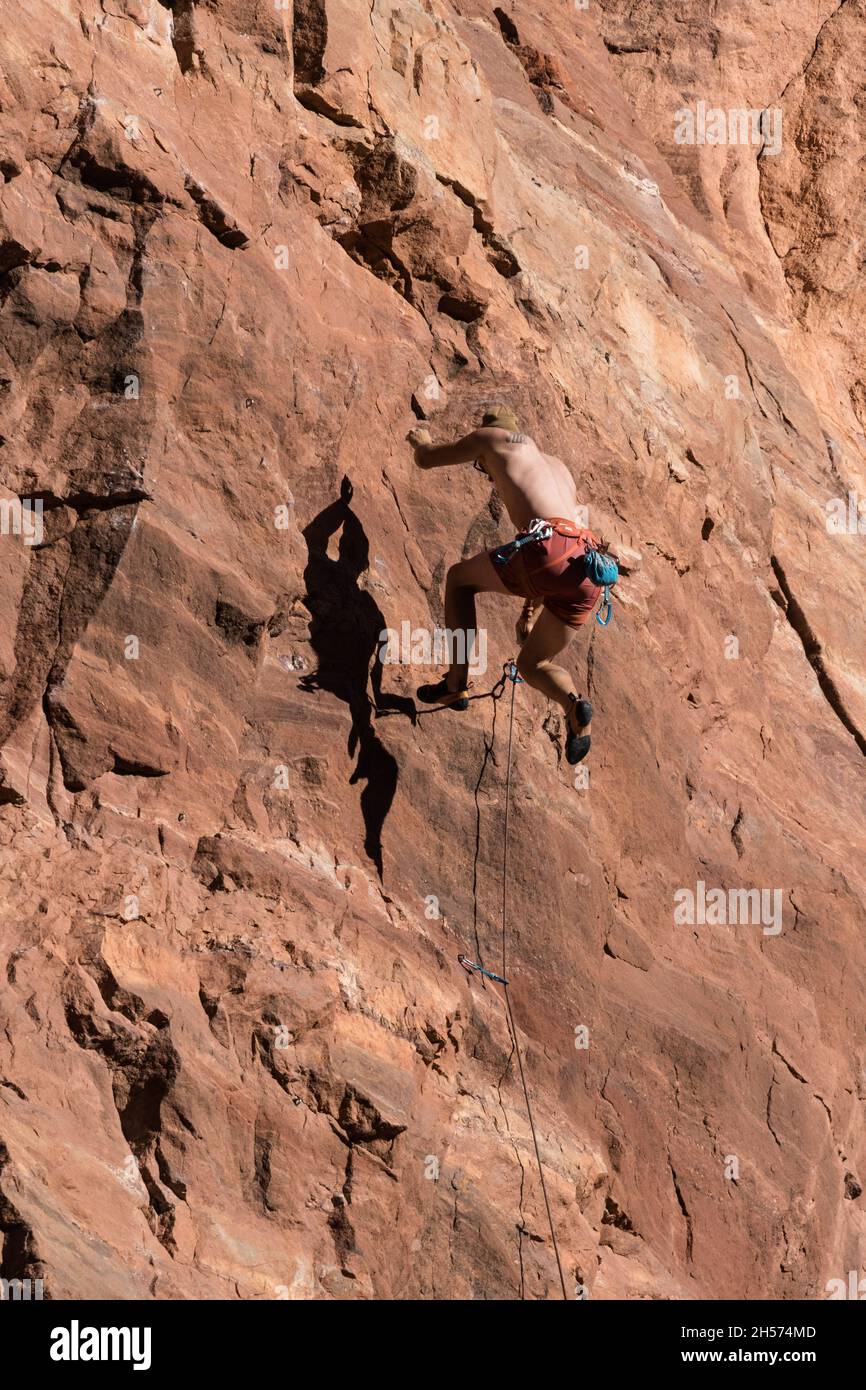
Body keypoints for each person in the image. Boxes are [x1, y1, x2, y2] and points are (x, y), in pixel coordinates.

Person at [407, 406, 614, 764]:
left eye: (481, 467)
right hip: (589, 568)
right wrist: (528, 614)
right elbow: (561, 552)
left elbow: (427, 460)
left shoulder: (493, 438)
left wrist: (421, 440)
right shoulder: (557, 467)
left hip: (550, 549)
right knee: (534, 662)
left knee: (458, 581)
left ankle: (455, 685)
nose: (486, 473)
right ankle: (573, 705)